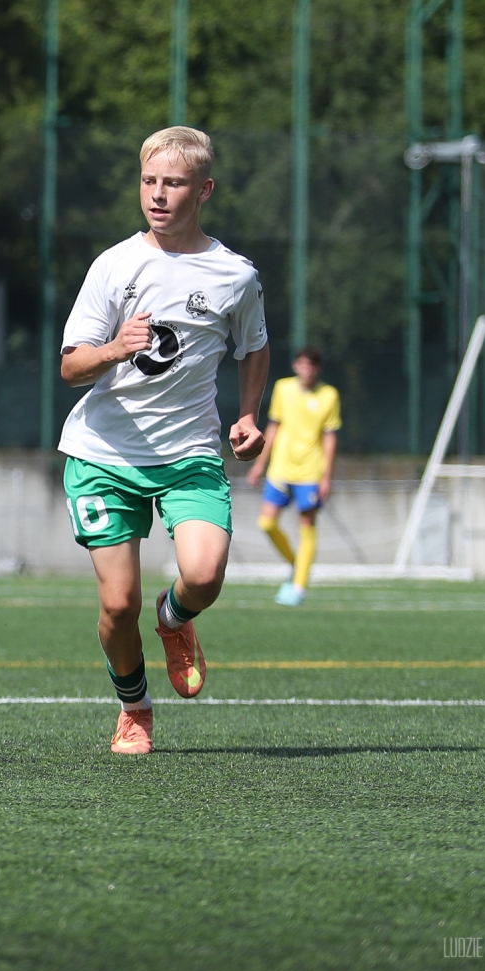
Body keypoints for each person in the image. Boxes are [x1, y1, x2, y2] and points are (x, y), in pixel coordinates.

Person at [59, 126, 270, 756]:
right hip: (104, 454)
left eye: (173, 183)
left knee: (203, 576)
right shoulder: (113, 265)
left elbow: (254, 346)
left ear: (203, 190)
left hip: (189, 455)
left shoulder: (235, 275)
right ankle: (134, 709)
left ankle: (174, 619)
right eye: (149, 181)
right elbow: (70, 366)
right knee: (117, 605)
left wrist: (250, 414)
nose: (157, 194)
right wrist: (113, 349)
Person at [245, 347, 340, 607]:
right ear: (296, 366)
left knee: (306, 526)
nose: (306, 369)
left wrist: (326, 477)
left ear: (318, 369)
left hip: (310, 472)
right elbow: (274, 426)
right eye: (302, 364)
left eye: (312, 365)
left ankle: (298, 586)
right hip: (280, 469)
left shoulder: (329, 395)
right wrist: (259, 465)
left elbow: (329, 437)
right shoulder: (283, 388)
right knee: (266, 523)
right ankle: (298, 566)